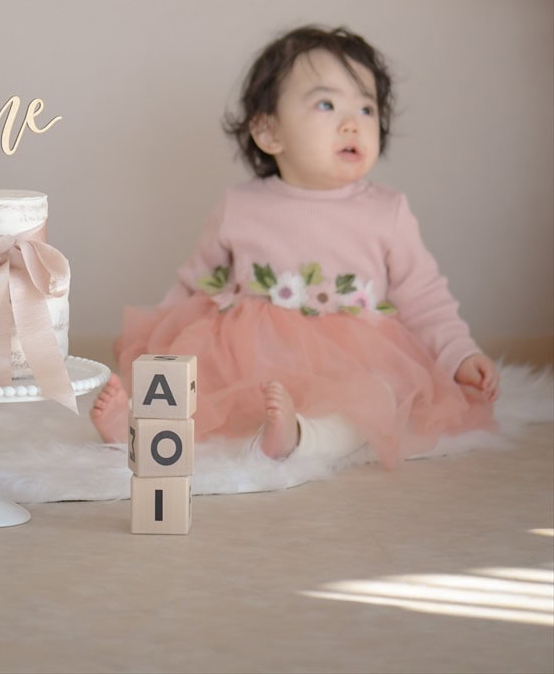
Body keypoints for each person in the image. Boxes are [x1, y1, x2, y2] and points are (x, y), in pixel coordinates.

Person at [92, 25, 498, 467]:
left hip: (353, 360)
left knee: (378, 398)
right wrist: (156, 348)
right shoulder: (240, 206)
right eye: (326, 104)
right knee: (197, 379)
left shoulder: (387, 211)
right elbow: (195, 286)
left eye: (366, 108)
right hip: (253, 358)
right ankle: (138, 427)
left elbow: (424, 298)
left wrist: (460, 354)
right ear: (269, 132)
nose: (353, 123)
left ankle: (302, 436)